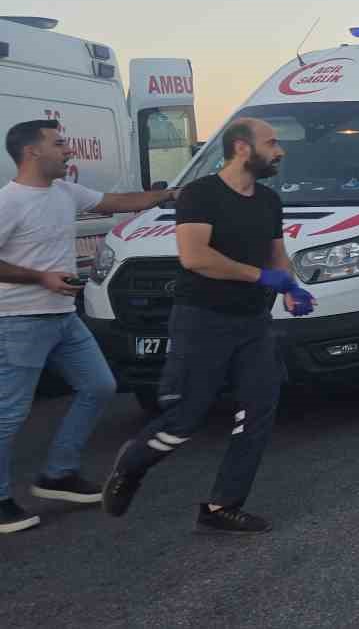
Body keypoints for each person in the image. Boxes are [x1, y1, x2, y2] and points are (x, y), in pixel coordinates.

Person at [101, 118, 316, 535]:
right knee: (185, 417)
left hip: (254, 323)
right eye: (272, 143)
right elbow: (195, 257)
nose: (280, 151)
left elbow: (277, 254)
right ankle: (132, 466)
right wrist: (261, 277)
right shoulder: (201, 195)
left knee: (258, 410)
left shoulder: (269, 200)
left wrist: (290, 287)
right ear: (241, 148)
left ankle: (222, 506)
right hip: (203, 320)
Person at [0, 120, 178, 535]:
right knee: (8, 414)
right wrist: (40, 278)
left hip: (62, 316)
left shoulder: (64, 191)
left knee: (99, 385)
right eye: (58, 144)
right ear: (32, 153)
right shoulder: (9, 202)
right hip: (19, 320)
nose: (68, 150)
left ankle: (57, 475)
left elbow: (116, 201)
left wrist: (170, 195)